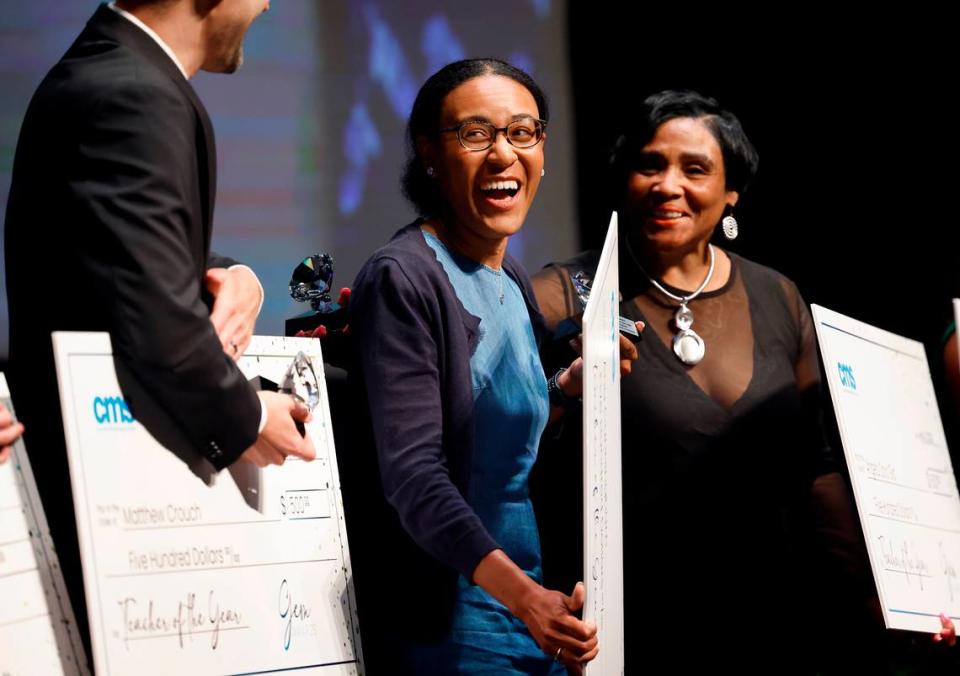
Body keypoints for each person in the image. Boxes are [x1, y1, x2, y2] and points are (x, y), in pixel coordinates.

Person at [532, 90, 956, 672]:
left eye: (695, 169)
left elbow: (819, 467)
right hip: (628, 628)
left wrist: (886, 593)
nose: (667, 185)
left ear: (731, 192)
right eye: (649, 164)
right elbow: (508, 438)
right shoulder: (565, 292)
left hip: (776, 619)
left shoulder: (778, 296)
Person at [3, 0, 315, 658]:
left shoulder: (115, 75)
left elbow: (105, 251)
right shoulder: (132, 92)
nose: (265, 5)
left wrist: (229, 271)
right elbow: (151, 314)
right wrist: (248, 416)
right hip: (107, 517)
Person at [349, 59, 632, 675]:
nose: (503, 152)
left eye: (522, 132)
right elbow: (415, 479)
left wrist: (567, 387)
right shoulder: (404, 276)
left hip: (534, 613)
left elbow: (494, 432)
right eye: (475, 134)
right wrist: (527, 600)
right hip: (455, 624)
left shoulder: (510, 279)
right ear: (429, 154)